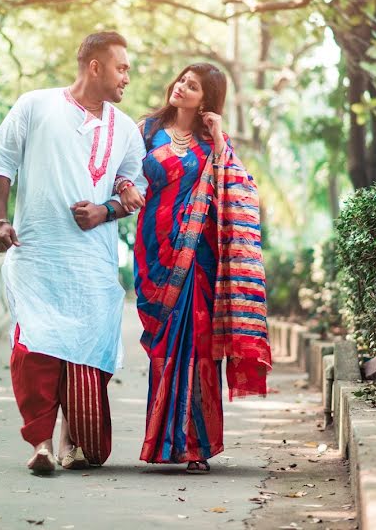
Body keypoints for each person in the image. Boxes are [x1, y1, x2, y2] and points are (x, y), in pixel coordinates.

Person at [0, 31, 146, 475]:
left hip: (93, 265)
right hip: (37, 255)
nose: (127, 77)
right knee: (34, 349)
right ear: (95, 67)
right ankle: (39, 444)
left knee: (88, 353)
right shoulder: (35, 105)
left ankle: (70, 440)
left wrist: (106, 210)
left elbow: (134, 186)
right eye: (121, 67)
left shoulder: (126, 129)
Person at [120, 63, 272, 474]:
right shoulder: (145, 130)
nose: (181, 88)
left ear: (205, 99)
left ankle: (196, 447)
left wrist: (220, 136)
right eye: (181, 80)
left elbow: (241, 188)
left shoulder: (213, 144)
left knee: (199, 348)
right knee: (165, 348)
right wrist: (123, 187)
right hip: (154, 251)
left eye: (192, 86)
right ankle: (163, 442)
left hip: (199, 260)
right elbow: (124, 175)